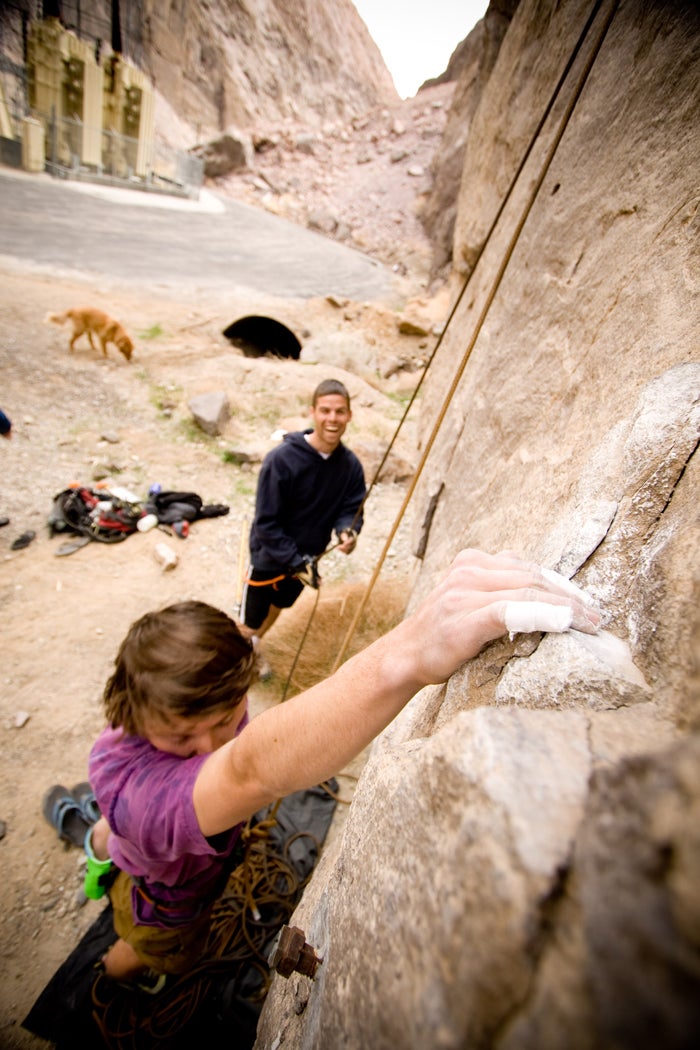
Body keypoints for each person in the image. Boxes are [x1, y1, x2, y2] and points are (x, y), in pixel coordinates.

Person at [85, 548, 601, 986]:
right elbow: (247, 770)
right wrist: (409, 652)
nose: (208, 748)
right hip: (170, 901)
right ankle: (105, 973)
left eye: (224, 721)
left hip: (152, 843)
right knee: (157, 949)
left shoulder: (155, 716)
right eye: (181, 738)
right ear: (132, 713)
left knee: (122, 831)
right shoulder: (140, 796)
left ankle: (103, 847)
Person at [240, 379, 366, 653]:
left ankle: (254, 647)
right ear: (312, 412)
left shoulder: (350, 466)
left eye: (339, 411)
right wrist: (296, 562)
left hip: (308, 558)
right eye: (325, 410)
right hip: (269, 556)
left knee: (279, 605)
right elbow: (266, 523)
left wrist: (347, 530)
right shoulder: (280, 460)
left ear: (349, 415)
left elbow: (351, 508)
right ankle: (236, 662)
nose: (332, 418)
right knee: (248, 621)